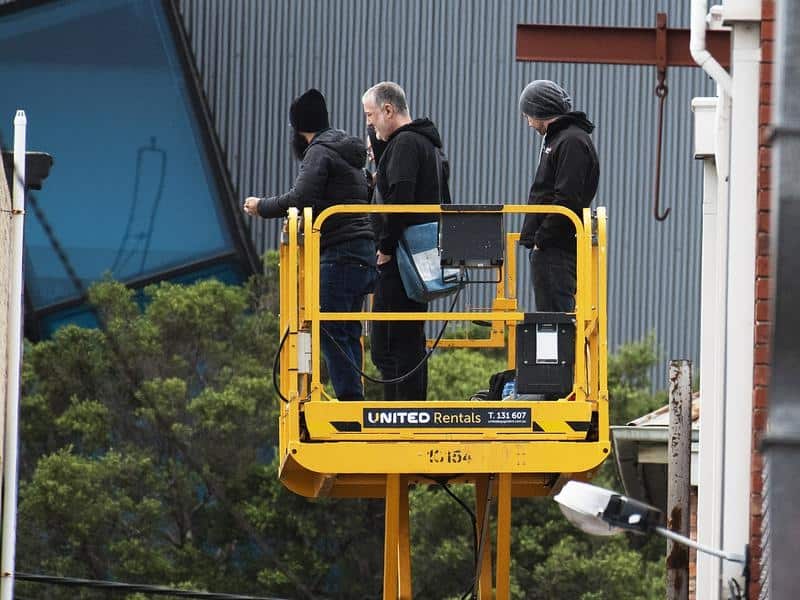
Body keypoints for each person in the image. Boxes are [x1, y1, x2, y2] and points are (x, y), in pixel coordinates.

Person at [243, 88, 376, 401]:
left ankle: (349, 404)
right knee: (347, 330)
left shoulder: (318, 151)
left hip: (339, 255)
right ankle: (353, 401)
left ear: (299, 128)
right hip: (362, 253)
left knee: (330, 329)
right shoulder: (348, 153)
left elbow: (300, 198)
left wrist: (260, 206)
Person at [361, 81, 450, 401]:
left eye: (370, 115)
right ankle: (407, 409)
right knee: (405, 338)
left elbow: (400, 197)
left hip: (401, 256)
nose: (369, 123)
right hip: (417, 254)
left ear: (388, 110)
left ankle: (401, 413)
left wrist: (384, 248)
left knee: (391, 342)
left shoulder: (406, 144)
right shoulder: (427, 144)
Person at [518, 80, 600, 313]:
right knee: (554, 320)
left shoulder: (570, 141)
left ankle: (561, 352)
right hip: (553, 246)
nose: (528, 122)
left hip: (556, 248)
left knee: (555, 323)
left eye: (528, 115)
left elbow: (567, 198)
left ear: (540, 110)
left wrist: (542, 239)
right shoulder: (563, 140)